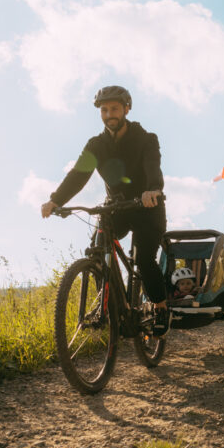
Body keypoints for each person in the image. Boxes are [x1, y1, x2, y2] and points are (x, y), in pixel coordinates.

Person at [40, 85, 170, 335]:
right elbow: (79, 174)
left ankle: (161, 307)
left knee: (143, 259)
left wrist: (153, 189)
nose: (109, 114)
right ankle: (111, 307)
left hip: (147, 207)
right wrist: (55, 200)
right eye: (104, 110)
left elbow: (153, 166)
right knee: (99, 251)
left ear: (126, 109)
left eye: (114, 109)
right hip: (117, 208)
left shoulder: (146, 139)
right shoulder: (96, 145)